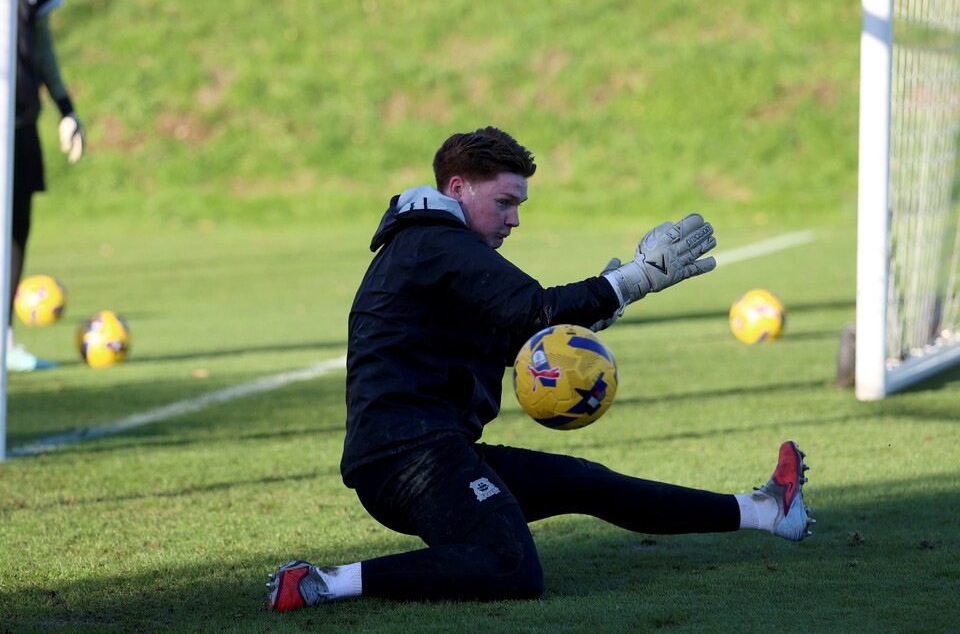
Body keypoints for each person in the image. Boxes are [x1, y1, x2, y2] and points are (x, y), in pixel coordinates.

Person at [266, 126, 814, 610]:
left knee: (586, 483)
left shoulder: (427, 248)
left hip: (427, 450)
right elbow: (536, 310)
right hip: (409, 460)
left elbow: (521, 338)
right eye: (505, 202)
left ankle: (766, 510)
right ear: (457, 188)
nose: (515, 219)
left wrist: (599, 311)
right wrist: (634, 278)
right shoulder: (432, 241)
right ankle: (320, 583)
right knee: (512, 568)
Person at [8, 0, 85, 372]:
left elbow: (41, 46)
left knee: (16, 231)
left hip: (21, 124)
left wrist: (65, 108)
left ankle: (4, 340)